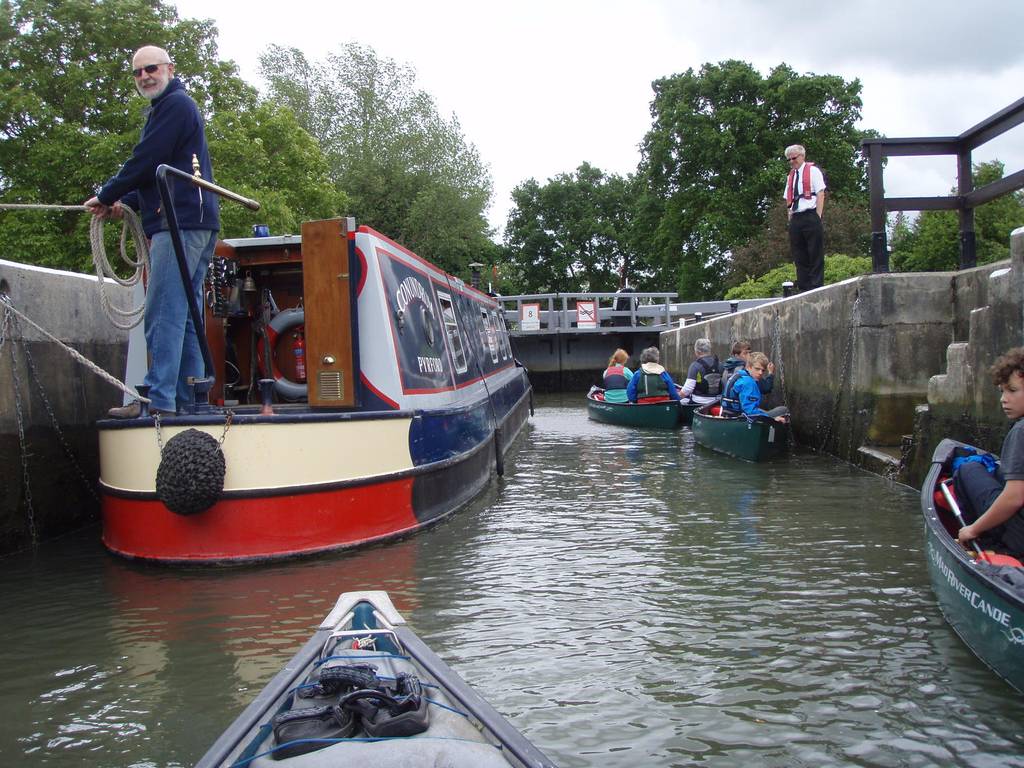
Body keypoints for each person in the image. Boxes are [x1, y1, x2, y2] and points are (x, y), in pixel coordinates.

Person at [86, 45, 220, 418]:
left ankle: (158, 401)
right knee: (188, 313)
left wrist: (107, 193)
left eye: (151, 68)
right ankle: (190, 400)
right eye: (137, 72)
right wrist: (121, 202)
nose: (144, 76)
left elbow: (146, 159)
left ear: (169, 69)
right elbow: (156, 169)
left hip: (178, 222)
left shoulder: (175, 105)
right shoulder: (170, 109)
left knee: (163, 312)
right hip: (195, 219)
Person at [953, 348, 1024, 556]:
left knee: (968, 470)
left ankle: (985, 543)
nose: (1003, 399)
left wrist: (972, 529)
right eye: (1002, 391)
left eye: (1012, 390)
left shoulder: (1021, 431)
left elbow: (1014, 497)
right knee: (1001, 473)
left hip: (1019, 540)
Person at [784, 144, 827, 293]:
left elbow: (820, 192)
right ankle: (804, 286)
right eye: (789, 159)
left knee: (815, 251)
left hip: (810, 214)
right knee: (799, 253)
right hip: (796, 216)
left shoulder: (813, 171)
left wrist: (818, 215)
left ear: (802, 156)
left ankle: (816, 285)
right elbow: (787, 198)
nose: (791, 161)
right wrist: (790, 217)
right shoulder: (791, 176)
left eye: (794, 158)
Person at [721, 352, 789, 422]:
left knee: (761, 410)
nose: (760, 373)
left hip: (729, 415)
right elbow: (751, 412)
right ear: (748, 367)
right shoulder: (749, 383)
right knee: (783, 410)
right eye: (757, 369)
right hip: (741, 420)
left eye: (763, 370)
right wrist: (772, 419)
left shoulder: (739, 375)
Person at [679, 338, 723, 405]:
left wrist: (677, 396)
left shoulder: (695, 366)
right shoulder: (720, 364)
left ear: (697, 352)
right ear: (709, 350)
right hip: (717, 401)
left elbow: (688, 389)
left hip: (699, 402)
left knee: (682, 402)